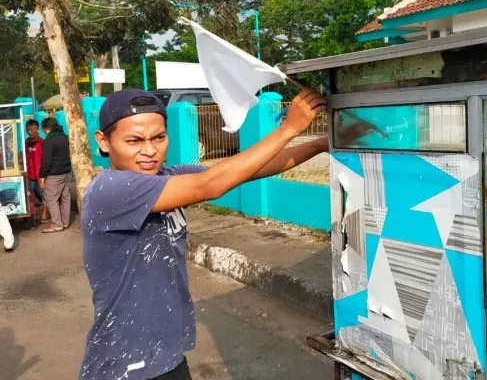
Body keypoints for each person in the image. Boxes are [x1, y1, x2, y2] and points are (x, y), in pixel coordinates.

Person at [79, 88, 328, 380]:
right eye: (134, 141)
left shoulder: (167, 177)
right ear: (103, 141)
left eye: (158, 138)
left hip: (165, 354)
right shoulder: (110, 189)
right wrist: (288, 129)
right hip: (125, 364)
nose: (149, 151)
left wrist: (323, 143)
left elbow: (248, 169)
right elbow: (209, 185)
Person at [39, 117, 72, 233]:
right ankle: (65, 222)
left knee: (51, 199)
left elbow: (46, 161)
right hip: (67, 172)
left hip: (54, 174)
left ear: (47, 128)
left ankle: (57, 224)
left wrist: (42, 176)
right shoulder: (65, 137)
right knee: (65, 197)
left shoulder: (49, 140)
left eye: (43, 128)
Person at [25, 119, 49, 223]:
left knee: (44, 195)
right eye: (28, 130)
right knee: (30, 196)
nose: (30, 132)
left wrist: (45, 176)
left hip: (40, 175)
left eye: (32, 129)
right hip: (30, 175)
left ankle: (45, 214)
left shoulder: (43, 143)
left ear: (38, 129)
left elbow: (46, 160)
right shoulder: (26, 142)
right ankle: (33, 215)